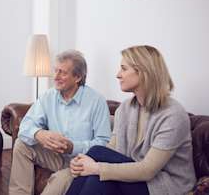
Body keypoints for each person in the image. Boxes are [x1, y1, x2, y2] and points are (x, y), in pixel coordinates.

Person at [66, 45, 196, 195]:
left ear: (143, 72)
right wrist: (81, 163)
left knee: (96, 161)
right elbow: (111, 150)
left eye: (123, 68)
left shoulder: (173, 115)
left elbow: (147, 170)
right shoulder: (125, 109)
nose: (118, 75)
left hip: (164, 185)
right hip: (134, 177)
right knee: (96, 175)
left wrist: (95, 167)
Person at [9, 49, 111, 195]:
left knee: (57, 183)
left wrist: (72, 147)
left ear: (77, 77)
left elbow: (103, 144)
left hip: (80, 162)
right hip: (55, 156)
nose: (55, 77)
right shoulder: (48, 96)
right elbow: (25, 126)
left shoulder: (96, 101)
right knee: (22, 144)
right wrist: (39, 133)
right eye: (55, 70)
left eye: (62, 72)